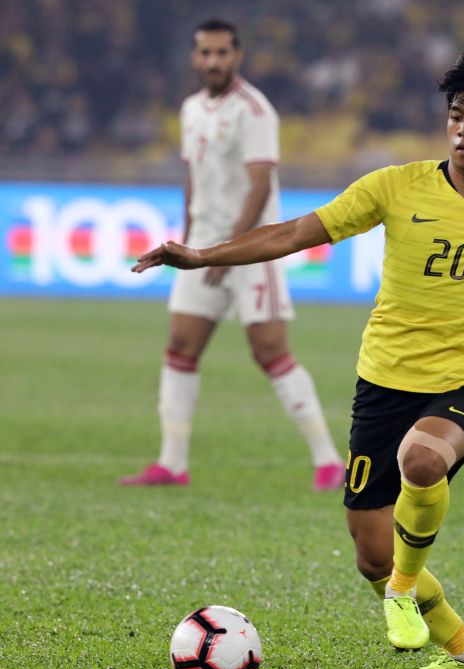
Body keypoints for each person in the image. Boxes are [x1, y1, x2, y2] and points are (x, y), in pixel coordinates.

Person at [133, 46, 464, 669]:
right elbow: (294, 232)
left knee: (421, 460)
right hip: (383, 384)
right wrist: (204, 255)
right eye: (456, 115)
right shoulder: (395, 186)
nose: (463, 130)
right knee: (370, 554)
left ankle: (403, 588)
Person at [118, 19, 345, 491]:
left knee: (270, 351)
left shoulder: (254, 110)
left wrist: (223, 254)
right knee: (180, 346)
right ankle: (172, 463)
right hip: (198, 246)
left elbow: (259, 187)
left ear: (237, 56)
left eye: (222, 53)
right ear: (194, 57)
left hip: (249, 248)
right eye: (206, 53)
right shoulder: (191, 109)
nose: (214, 61)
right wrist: (187, 240)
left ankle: (327, 462)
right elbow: (193, 177)